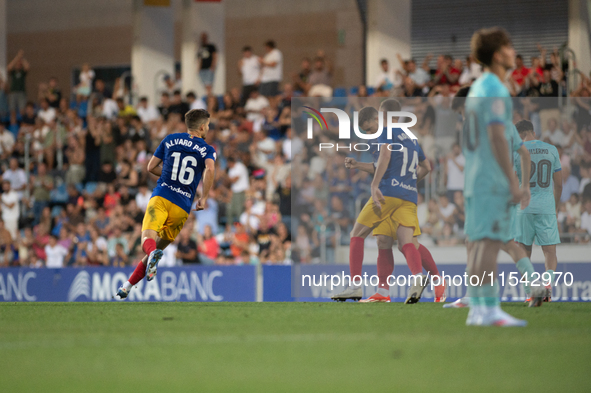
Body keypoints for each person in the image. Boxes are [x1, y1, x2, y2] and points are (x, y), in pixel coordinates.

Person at [331, 106, 446, 303]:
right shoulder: (411, 138)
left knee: (356, 234)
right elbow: (426, 167)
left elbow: (384, 158)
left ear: (380, 116)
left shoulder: (385, 131)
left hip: (386, 194)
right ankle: (402, 285)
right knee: (398, 242)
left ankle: (354, 285)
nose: (369, 133)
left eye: (369, 128)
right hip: (408, 196)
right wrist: (407, 182)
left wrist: (375, 185)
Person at [459, 28, 532, 326]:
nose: (513, 51)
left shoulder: (477, 88)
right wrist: (513, 182)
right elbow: (497, 137)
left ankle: (478, 308)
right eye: (509, 45)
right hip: (491, 179)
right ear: (498, 53)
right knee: (488, 244)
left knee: (478, 244)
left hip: (475, 177)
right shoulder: (496, 89)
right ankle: (488, 310)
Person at [116, 109, 216, 299]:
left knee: (147, 239)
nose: (208, 128)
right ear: (202, 127)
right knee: (156, 250)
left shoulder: (170, 139)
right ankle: (127, 286)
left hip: (162, 197)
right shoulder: (207, 149)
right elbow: (210, 170)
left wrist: (169, 178)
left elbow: (150, 167)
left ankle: (144, 266)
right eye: (208, 125)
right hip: (182, 207)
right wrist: (203, 197)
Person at [514, 119, 562, 302]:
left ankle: (530, 293)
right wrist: (555, 206)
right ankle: (547, 285)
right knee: (550, 252)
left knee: (524, 253)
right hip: (546, 207)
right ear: (533, 131)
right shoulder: (551, 150)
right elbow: (559, 184)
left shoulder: (517, 151)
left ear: (521, 135)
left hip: (524, 208)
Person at [7, 49, 30, 116]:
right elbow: (8, 67)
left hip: (21, 92)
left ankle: (22, 121)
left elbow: (27, 67)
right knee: (12, 109)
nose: (18, 65)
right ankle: (13, 124)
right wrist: (17, 57)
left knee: (22, 109)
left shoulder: (22, 72)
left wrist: (21, 58)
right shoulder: (13, 72)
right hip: (13, 92)